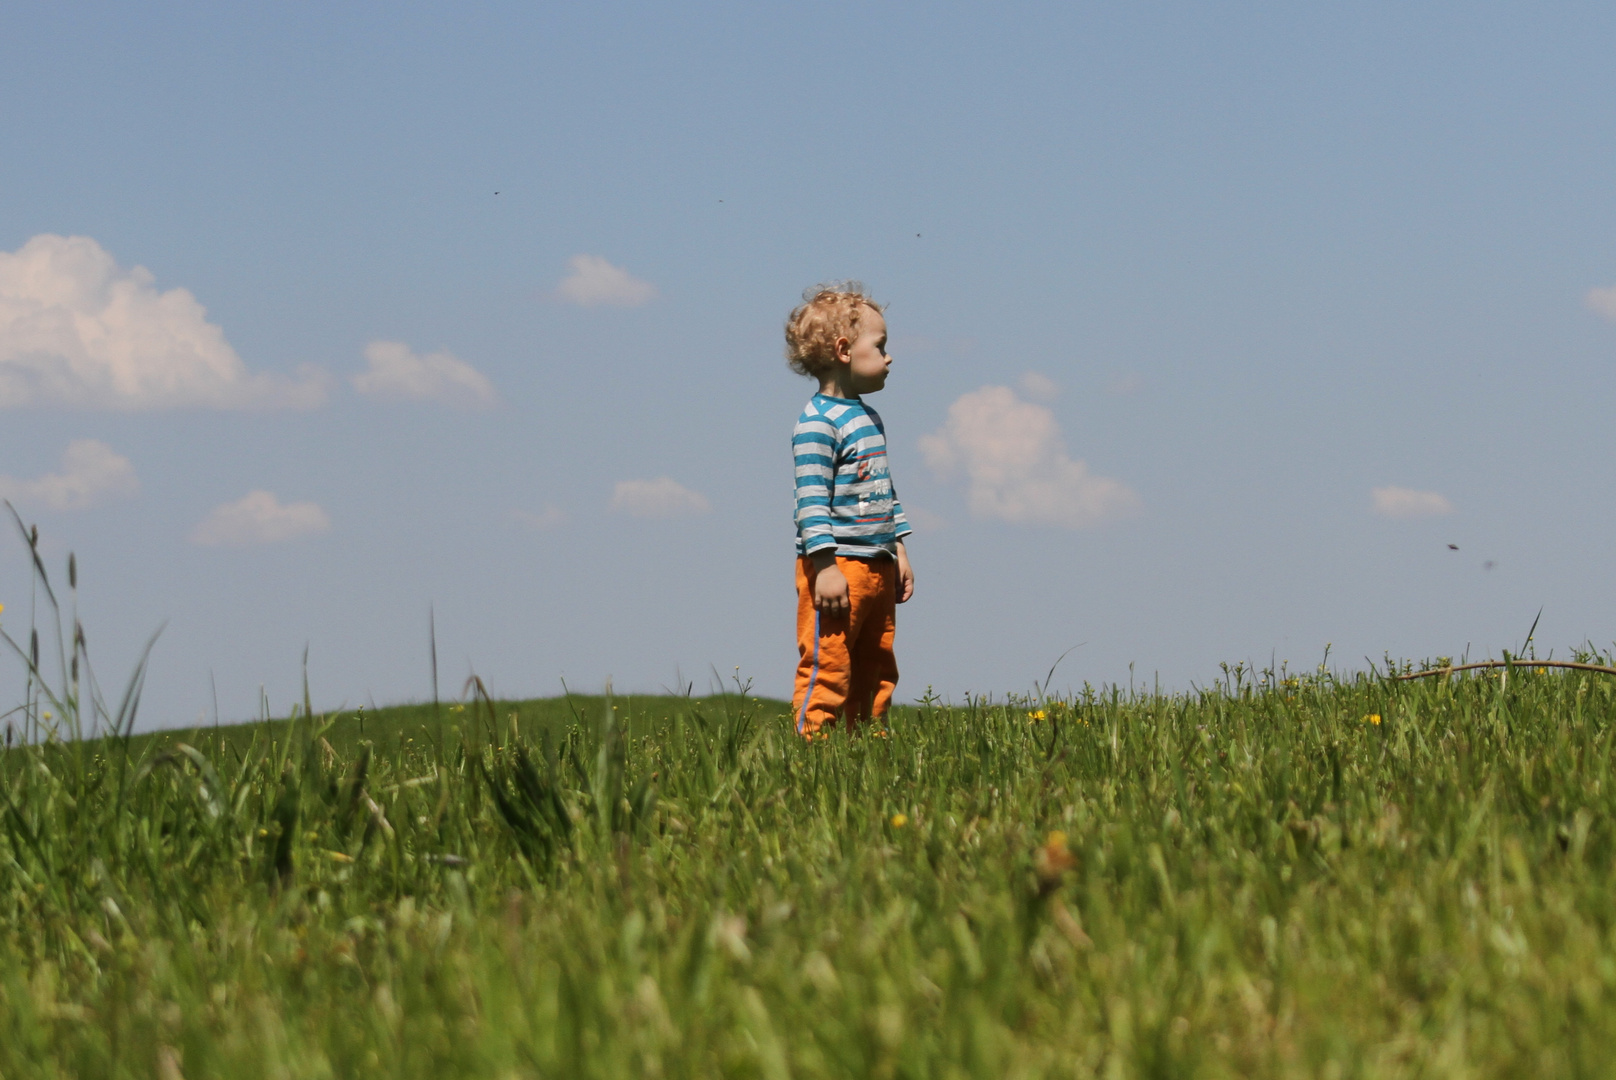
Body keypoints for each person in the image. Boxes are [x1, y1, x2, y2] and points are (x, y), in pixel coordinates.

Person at [786, 283, 915, 737]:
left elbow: (883, 488)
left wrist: (897, 546)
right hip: (838, 569)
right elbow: (811, 502)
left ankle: (869, 747)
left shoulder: (868, 418)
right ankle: (813, 752)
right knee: (830, 663)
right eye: (880, 346)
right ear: (844, 350)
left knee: (877, 666)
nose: (888, 357)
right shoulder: (816, 424)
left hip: (876, 564)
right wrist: (824, 566)